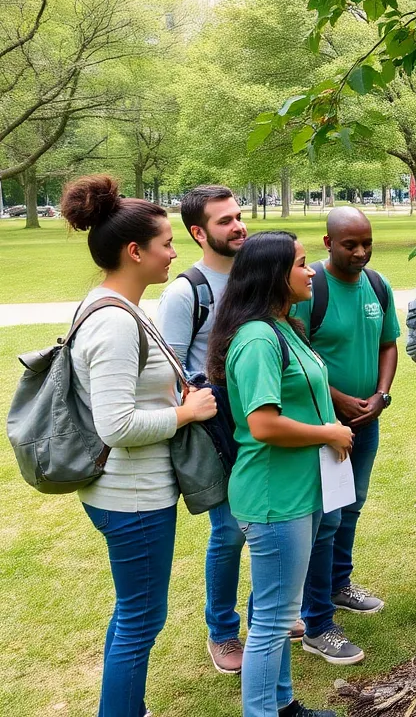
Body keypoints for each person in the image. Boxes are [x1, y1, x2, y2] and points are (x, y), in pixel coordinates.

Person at [60, 175, 218, 717]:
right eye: (167, 243)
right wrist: (185, 412)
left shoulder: (113, 305)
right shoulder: (115, 323)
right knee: (141, 618)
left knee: (132, 612)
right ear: (135, 251)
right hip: (132, 496)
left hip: (127, 491)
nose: (174, 253)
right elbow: (116, 425)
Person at [206, 231, 353, 717]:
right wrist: (328, 433)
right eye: (301, 264)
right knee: (272, 621)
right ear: (273, 274)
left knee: (280, 611)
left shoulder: (284, 326)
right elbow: (263, 425)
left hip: (300, 490)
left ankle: (283, 704)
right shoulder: (256, 339)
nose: (311, 272)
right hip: (274, 497)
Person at [154, 185, 264, 675]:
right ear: (198, 233)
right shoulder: (186, 292)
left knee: (270, 523)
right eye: (225, 221)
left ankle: (268, 617)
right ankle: (221, 632)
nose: (238, 226)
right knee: (230, 532)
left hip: (264, 419)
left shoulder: (256, 276)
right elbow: (170, 369)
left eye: (238, 216)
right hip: (219, 431)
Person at [291, 207, 400, 665]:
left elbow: (388, 344)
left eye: (366, 243)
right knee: (323, 520)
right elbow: (297, 352)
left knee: (350, 506)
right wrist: (337, 399)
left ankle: (338, 584)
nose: (360, 252)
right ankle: (312, 617)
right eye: (349, 244)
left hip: (366, 422)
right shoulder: (309, 288)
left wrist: (380, 395)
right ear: (328, 242)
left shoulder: (377, 285)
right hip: (324, 424)